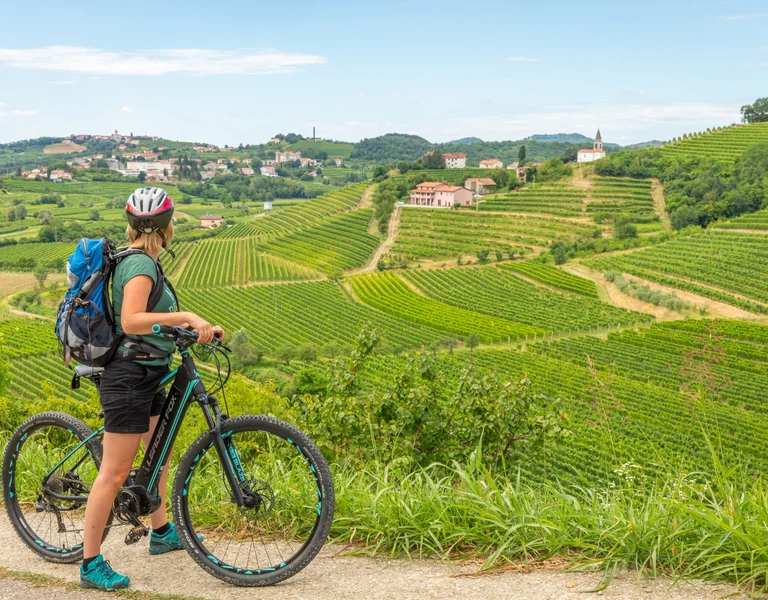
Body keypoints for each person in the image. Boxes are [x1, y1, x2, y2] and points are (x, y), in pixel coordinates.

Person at [80, 187, 225, 591]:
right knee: (115, 471)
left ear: (132, 226)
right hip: (128, 376)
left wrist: (199, 329)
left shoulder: (142, 261)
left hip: (150, 369)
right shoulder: (141, 264)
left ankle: (160, 532)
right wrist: (188, 314)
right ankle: (90, 564)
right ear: (167, 227)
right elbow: (132, 320)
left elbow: (155, 321)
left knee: (157, 455)